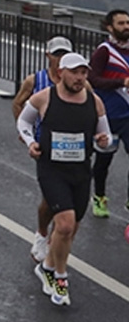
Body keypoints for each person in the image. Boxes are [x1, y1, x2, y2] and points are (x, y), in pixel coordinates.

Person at [16, 53, 111, 307]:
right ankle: (60, 276)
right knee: (66, 224)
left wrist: (103, 141)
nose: (80, 78)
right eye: (75, 73)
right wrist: (30, 142)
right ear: (61, 73)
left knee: (71, 227)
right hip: (51, 168)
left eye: (83, 73)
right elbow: (23, 121)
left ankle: (47, 266)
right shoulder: (44, 97)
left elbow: (105, 137)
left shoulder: (95, 102)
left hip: (80, 170)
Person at [12, 36, 72, 263]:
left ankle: (58, 236)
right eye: (56, 54)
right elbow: (18, 103)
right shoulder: (34, 80)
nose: (60, 59)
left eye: (64, 55)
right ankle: (42, 233)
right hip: (45, 147)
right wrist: (25, 132)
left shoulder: (78, 82)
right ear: (48, 55)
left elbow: (93, 108)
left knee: (72, 198)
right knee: (51, 197)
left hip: (73, 148)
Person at [88, 9, 129, 219]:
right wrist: (121, 82)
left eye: (128, 23)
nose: (126, 27)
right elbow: (93, 80)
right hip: (109, 116)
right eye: (121, 23)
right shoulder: (104, 51)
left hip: (128, 116)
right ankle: (99, 197)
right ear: (110, 27)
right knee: (104, 161)